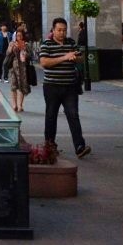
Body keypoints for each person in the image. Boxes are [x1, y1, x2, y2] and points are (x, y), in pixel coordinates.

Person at [39, 18, 90, 158]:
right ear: (53, 30)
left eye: (64, 30)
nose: (62, 33)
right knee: (51, 116)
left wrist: (75, 57)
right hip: (52, 87)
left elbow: (81, 58)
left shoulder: (71, 43)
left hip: (70, 87)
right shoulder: (46, 44)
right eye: (59, 30)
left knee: (73, 114)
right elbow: (44, 62)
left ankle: (80, 146)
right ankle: (49, 146)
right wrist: (64, 57)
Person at [3, 27, 33, 113]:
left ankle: (20, 105)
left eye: (20, 35)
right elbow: (7, 53)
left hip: (23, 68)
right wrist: (11, 48)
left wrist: (24, 52)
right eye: (17, 35)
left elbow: (30, 55)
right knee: (13, 86)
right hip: (13, 67)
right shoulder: (12, 43)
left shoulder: (26, 44)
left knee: (22, 86)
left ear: (23, 36)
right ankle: (14, 105)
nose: (18, 37)